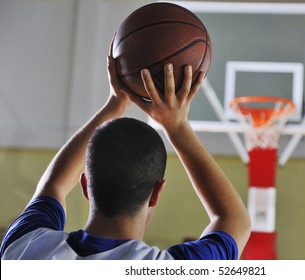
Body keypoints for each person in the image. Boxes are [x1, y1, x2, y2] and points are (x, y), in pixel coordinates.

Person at [0, 37, 250, 260]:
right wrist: (177, 126)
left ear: (86, 185)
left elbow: (52, 185)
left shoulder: (25, 247)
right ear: (156, 193)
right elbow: (235, 223)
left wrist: (114, 105)